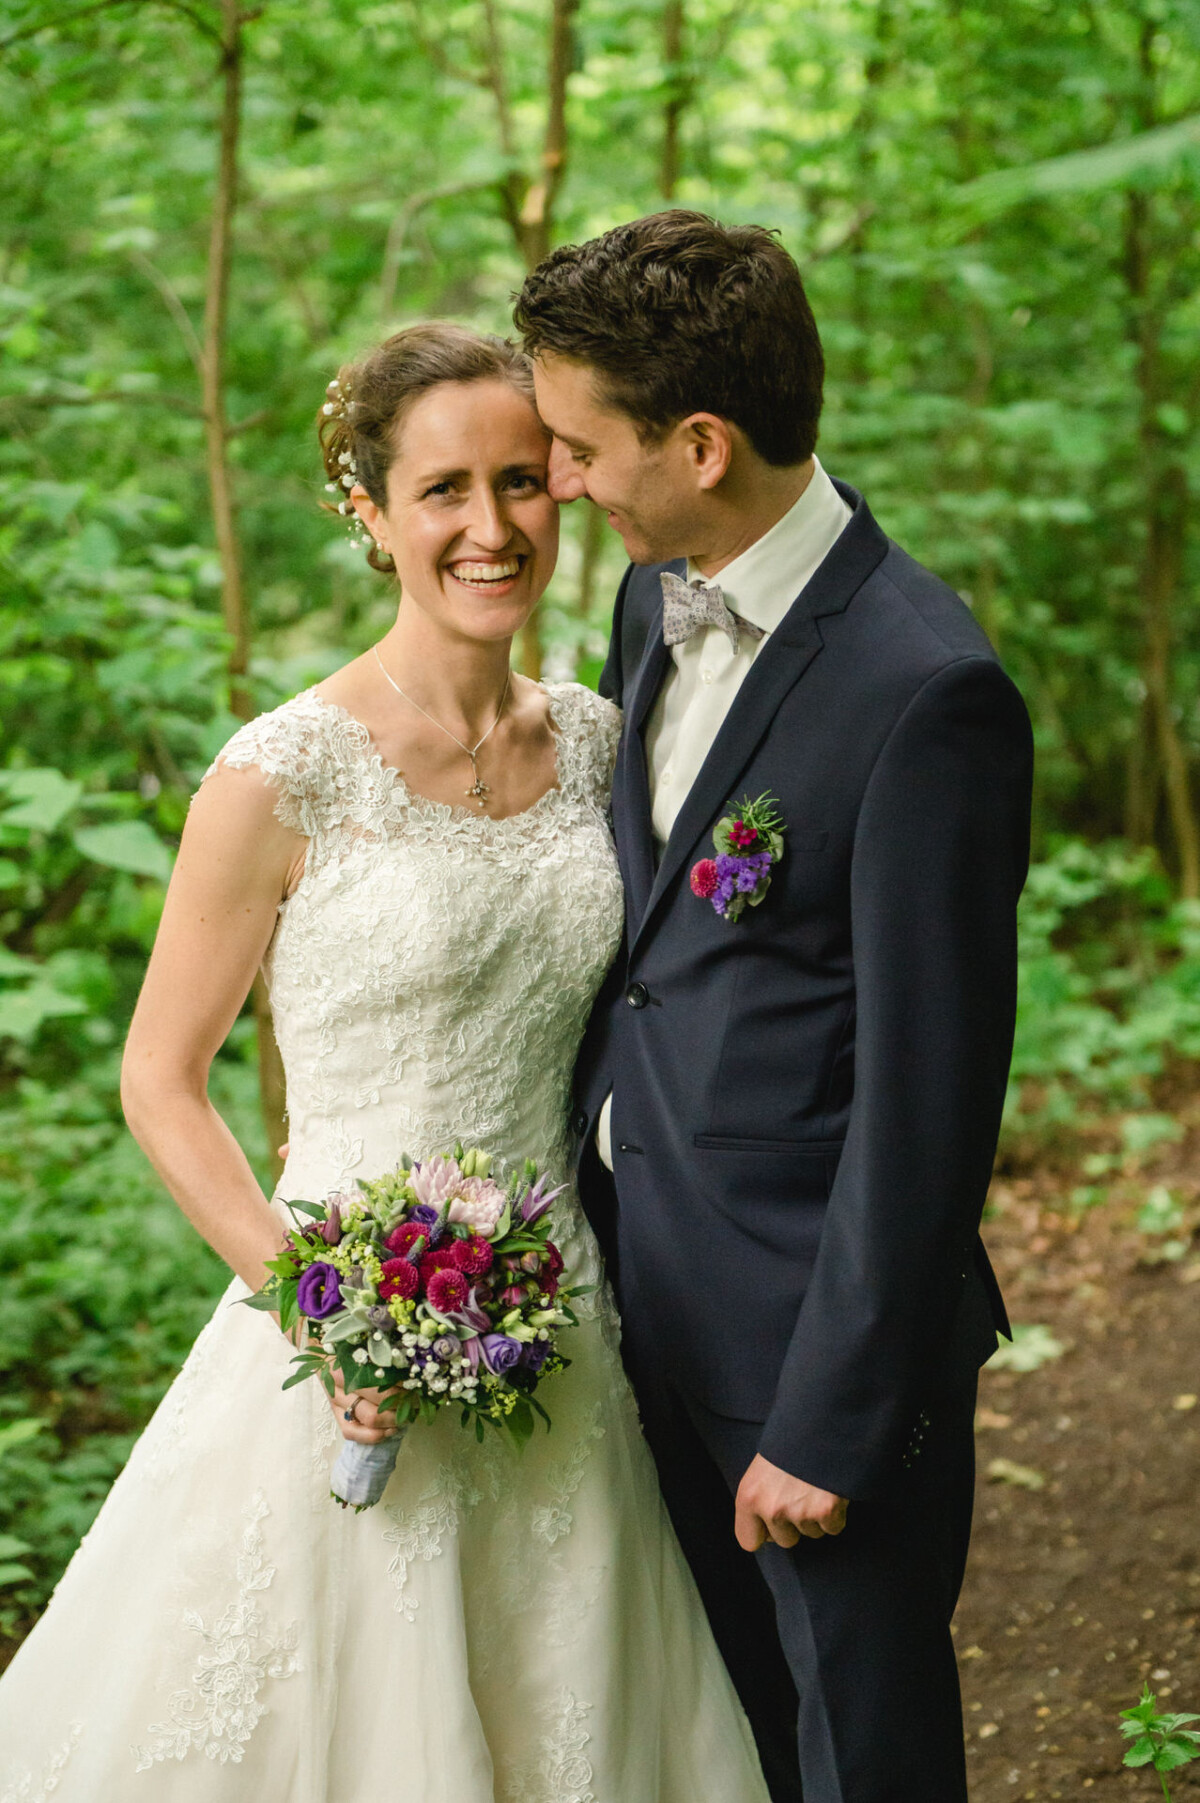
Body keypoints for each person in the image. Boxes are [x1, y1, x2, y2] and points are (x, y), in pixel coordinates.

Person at [0, 322, 770, 1803]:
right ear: (369, 511)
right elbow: (159, 1080)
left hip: (570, 1338)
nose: (491, 530)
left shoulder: (610, 743)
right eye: (441, 492)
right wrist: (324, 1307)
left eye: (523, 483)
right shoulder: (280, 773)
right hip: (342, 1337)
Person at [515, 211, 1035, 1803]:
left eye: (576, 445)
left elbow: (931, 1104)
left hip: (813, 1347)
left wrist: (833, 1415)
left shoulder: (926, 689)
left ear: (699, 441)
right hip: (649, 1308)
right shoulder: (649, 601)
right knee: (728, 1741)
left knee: (856, 1749)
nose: (561, 483)